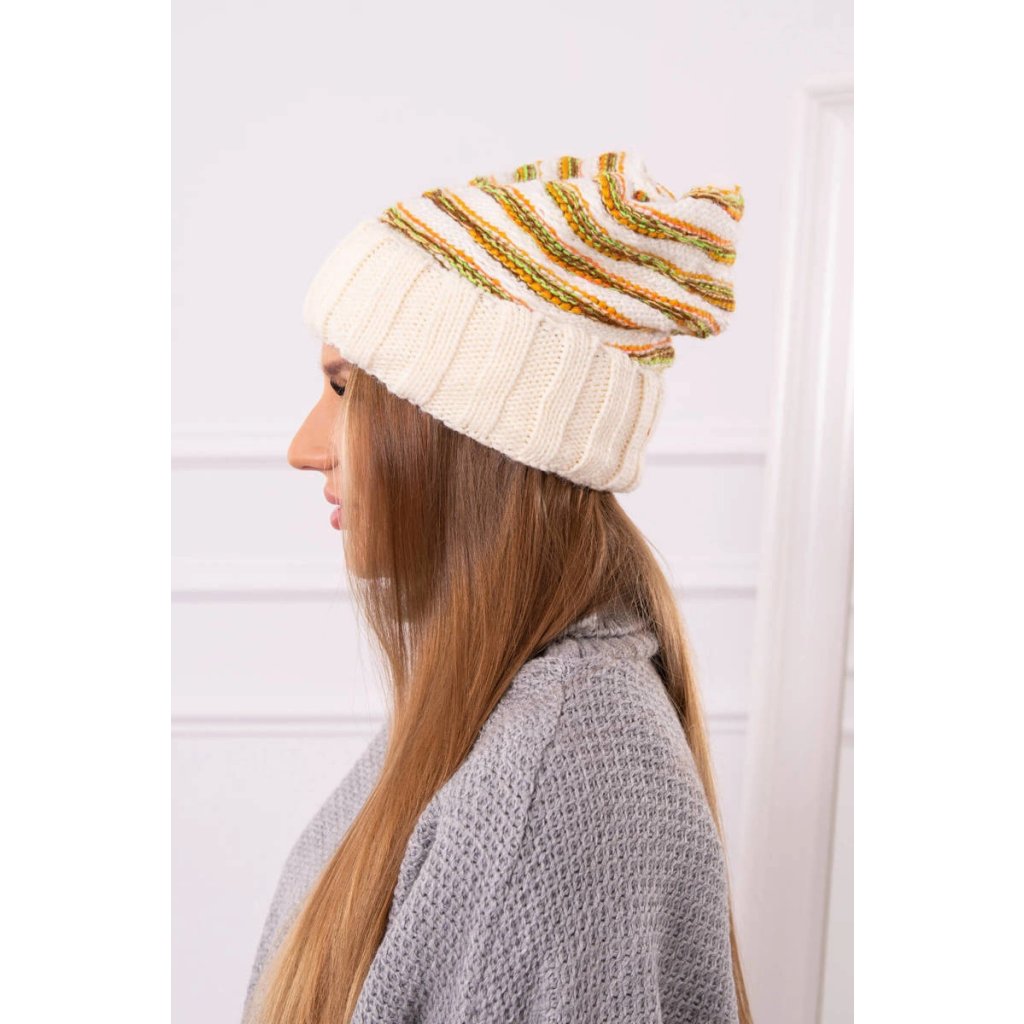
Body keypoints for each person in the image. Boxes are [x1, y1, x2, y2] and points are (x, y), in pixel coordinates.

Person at [241, 150, 751, 1024]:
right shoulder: (497, 712)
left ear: (465, 429)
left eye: (343, 388)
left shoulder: (560, 778)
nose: (305, 447)